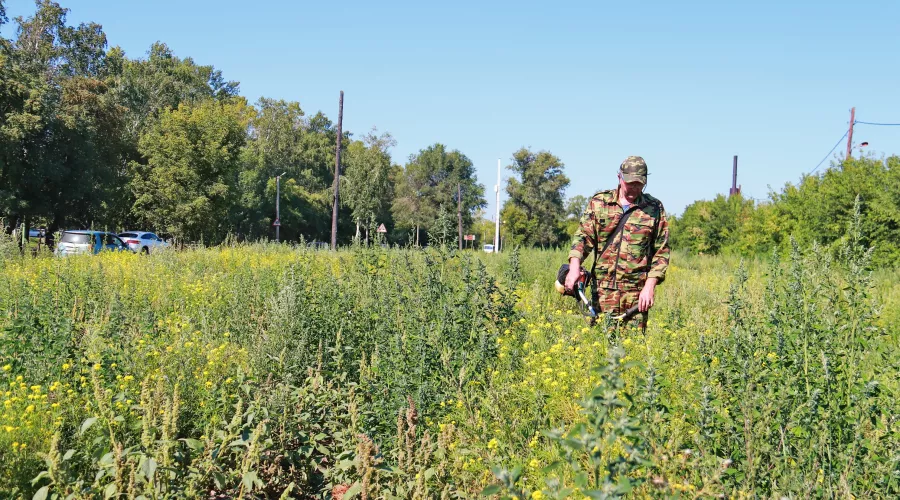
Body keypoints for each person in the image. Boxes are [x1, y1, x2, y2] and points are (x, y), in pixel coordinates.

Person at [565, 156, 670, 331]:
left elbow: (662, 251)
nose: (634, 189)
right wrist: (574, 267)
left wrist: (650, 286)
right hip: (602, 292)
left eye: (639, 184)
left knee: (632, 352)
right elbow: (583, 237)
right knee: (600, 350)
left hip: (636, 296)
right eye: (630, 183)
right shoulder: (600, 203)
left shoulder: (654, 208)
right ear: (619, 177)